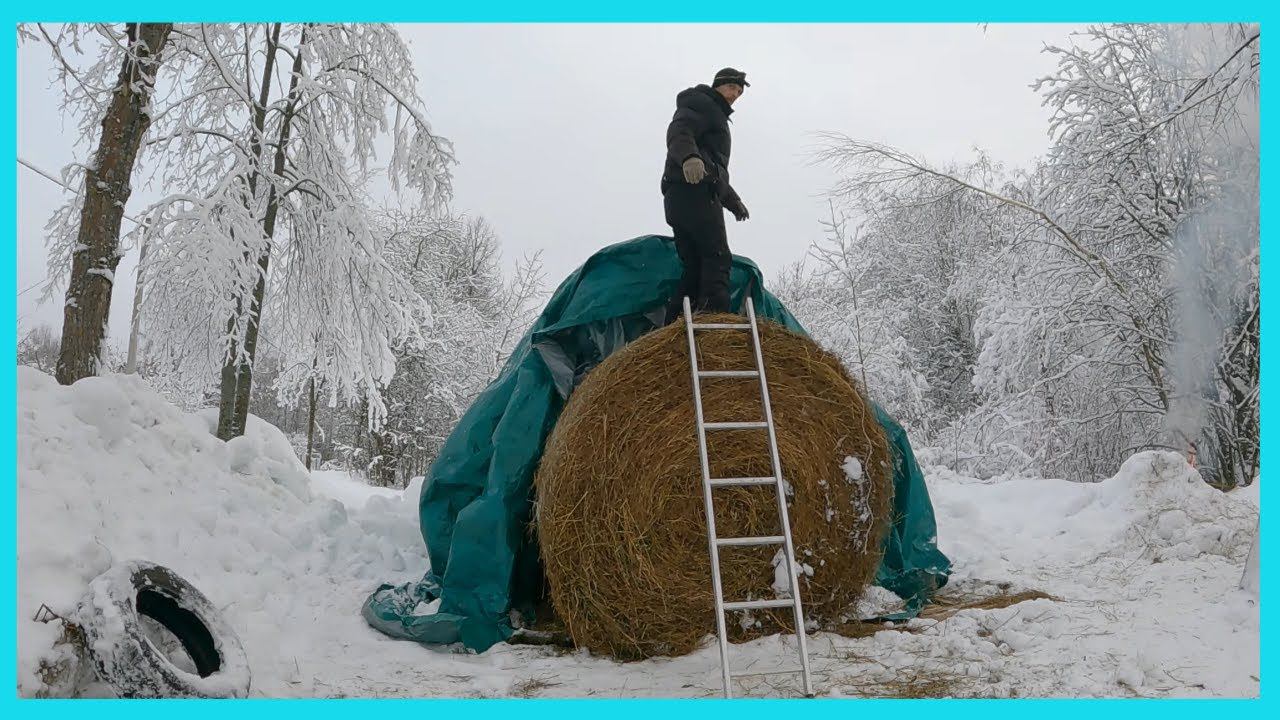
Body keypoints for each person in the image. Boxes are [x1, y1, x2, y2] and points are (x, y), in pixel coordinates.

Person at [661, 67, 750, 323]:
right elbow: (680, 131)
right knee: (717, 257)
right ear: (719, 85)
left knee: (695, 265)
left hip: (681, 195)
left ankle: (676, 324)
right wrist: (688, 157)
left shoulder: (714, 113)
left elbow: (714, 169)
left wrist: (732, 201)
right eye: (733, 87)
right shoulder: (702, 105)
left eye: (740, 91)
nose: (736, 95)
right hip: (694, 190)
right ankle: (714, 322)